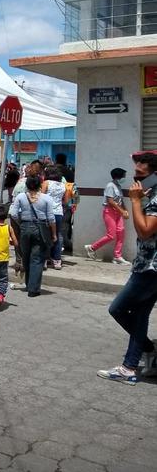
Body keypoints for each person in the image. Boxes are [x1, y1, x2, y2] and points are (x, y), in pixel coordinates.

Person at [97, 151, 157, 385]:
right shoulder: (150, 193)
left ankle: (147, 349)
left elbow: (144, 230)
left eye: (142, 166)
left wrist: (134, 200)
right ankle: (130, 367)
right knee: (140, 314)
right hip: (147, 264)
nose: (137, 171)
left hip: (150, 268)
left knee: (118, 309)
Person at [9, 175, 56, 298]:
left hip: (25, 228)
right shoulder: (46, 198)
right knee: (37, 259)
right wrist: (54, 233)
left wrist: (22, 223)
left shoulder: (21, 197)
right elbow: (51, 218)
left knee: (26, 257)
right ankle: (33, 288)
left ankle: (29, 284)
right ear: (40, 185)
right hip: (40, 229)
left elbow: (13, 213)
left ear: (27, 185)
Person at [86, 167, 130, 265]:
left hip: (118, 212)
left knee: (121, 233)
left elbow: (120, 200)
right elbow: (110, 201)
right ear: (119, 176)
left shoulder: (118, 186)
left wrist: (125, 210)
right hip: (110, 212)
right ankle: (92, 248)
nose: (125, 178)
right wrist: (122, 211)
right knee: (111, 235)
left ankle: (117, 256)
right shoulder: (110, 185)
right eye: (124, 175)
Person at [42, 165, 67, 269]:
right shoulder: (63, 185)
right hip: (58, 213)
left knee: (45, 236)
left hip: (47, 212)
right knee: (57, 235)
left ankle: (44, 259)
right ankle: (57, 260)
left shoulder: (46, 183)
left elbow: (41, 196)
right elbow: (65, 201)